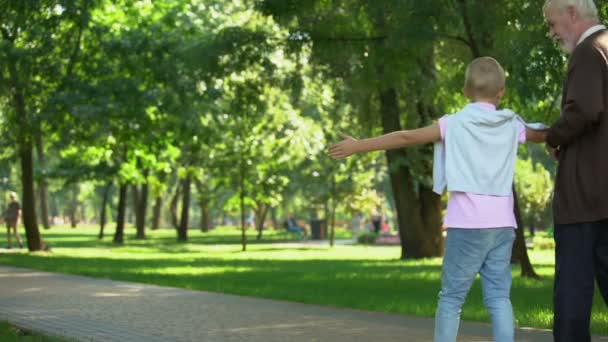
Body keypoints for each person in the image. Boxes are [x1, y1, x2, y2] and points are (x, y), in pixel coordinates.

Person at [329, 57, 547, 342]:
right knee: (498, 298)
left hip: (467, 226)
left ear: (466, 91)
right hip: (502, 226)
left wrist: (359, 146)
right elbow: (544, 135)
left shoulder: (453, 124)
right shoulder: (512, 124)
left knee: (451, 298)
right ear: (501, 92)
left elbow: (406, 137)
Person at [542, 1, 608, 340]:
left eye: (552, 24)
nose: (551, 33)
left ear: (572, 13)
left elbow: (584, 109)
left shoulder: (587, 51)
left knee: (572, 295)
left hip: (583, 197)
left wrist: (554, 136)